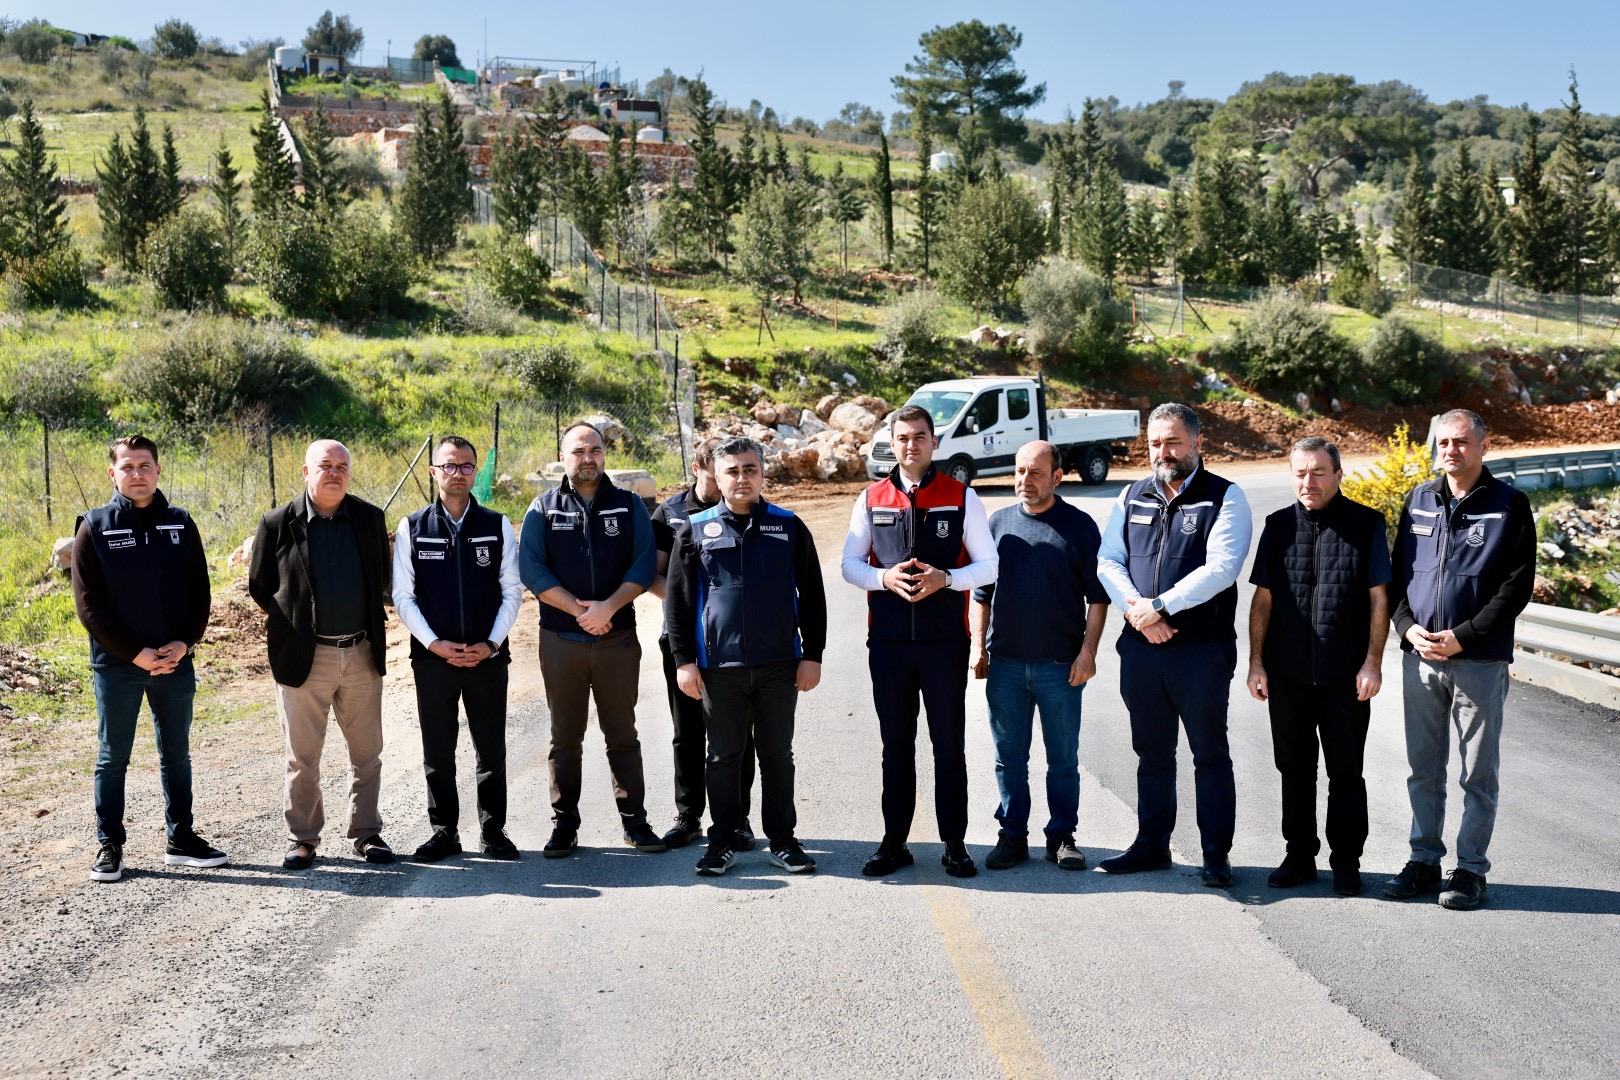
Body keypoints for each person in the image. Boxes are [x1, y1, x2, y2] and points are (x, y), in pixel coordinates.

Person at [1096, 402, 1252, 888]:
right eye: (1155, 443)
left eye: (1173, 442)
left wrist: (1161, 607)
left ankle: (1215, 854)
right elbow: (1108, 561)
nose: (1163, 452)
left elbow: (1222, 568)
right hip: (1142, 648)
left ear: (1197, 442)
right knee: (1152, 752)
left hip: (1200, 651)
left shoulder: (1225, 496)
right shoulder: (1131, 495)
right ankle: (1151, 845)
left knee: (1209, 754)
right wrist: (1139, 614)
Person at [1384, 409, 1535, 911]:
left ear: (1483, 446)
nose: (1451, 450)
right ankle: (1423, 860)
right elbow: (1399, 576)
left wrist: (1463, 638)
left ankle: (1470, 870)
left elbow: (1515, 587)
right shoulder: (1419, 500)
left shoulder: (1509, 504)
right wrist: (1407, 628)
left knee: (1477, 773)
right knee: (1423, 768)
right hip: (1421, 655)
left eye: (1462, 442)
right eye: (1444, 442)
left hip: (1479, 660)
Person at [841, 403, 999, 879]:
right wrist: (883, 578)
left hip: (944, 642)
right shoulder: (871, 497)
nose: (911, 445)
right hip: (889, 644)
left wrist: (946, 579)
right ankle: (895, 842)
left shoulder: (962, 496)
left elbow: (989, 565)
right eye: (903, 437)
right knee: (896, 747)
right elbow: (850, 565)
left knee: (949, 746)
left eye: (920, 436)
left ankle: (955, 844)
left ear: (934, 441)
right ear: (892, 443)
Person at [666, 438, 828, 876]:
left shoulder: (788, 526)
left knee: (777, 756)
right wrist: (684, 661)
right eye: (733, 471)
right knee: (722, 757)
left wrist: (812, 654)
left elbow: (812, 595)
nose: (742, 478)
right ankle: (721, 841)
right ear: (717, 478)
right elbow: (678, 602)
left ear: (762, 474)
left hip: (779, 665)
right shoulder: (694, 530)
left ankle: (783, 841)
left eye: (750, 469)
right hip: (719, 668)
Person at [72, 435, 225, 882]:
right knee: (112, 757)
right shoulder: (94, 526)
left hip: (174, 662)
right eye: (127, 467)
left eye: (144, 466)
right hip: (118, 667)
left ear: (158, 471)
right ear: (112, 473)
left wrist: (186, 642)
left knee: (176, 754)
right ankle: (109, 845)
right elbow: (88, 606)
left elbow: (200, 591)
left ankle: (181, 839)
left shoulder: (180, 523)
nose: (136, 474)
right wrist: (135, 654)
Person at [1247, 437, 1390, 897]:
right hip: (1286, 674)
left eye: (1318, 472)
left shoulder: (1367, 524)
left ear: (1338, 475)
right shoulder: (1277, 526)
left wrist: (1372, 663)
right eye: (1300, 473)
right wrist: (1256, 662)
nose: (1308, 481)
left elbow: (1379, 599)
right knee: (1293, 768)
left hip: (1346, 677)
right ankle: (1299, 855)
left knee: (1345, 772)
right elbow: (1263, 599)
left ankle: (1346, 862)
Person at [518, 421, 663, 857]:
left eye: (595, 450)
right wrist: (580, 611)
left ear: (604, 454)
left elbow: (643, 564)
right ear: (562, 457)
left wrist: (608, 609)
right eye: (578, 451)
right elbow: (532, 569)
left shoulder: (629, 505)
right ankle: (564, 826)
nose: (588, 458)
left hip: (617, 640)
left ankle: (635, 824)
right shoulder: (542, 508)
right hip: (561, 639)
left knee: (622, 733)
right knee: (565, 737)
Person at [249, 439, 394, 871]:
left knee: (367, 753)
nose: (334, 473)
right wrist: (296, 624)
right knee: (302, 757)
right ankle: (303, 838)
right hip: (304, 657)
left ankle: (367, 832)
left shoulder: (369, 518)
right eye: (325, 465)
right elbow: (261, 586)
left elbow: (381, 578)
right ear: (306, 471)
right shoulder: (277, 522)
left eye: (342, 467)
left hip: (361, 652)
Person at [971, 441, 1108, 872]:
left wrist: (1087, 654)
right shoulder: (998, 524)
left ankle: (1062, 837)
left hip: (1060, 668)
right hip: (1005, 666)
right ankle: (1012, 836)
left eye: (1035, 472)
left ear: (1057, 477)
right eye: (1019, 471)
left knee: (1063, 760)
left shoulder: (1080, 527)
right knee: (1008, 758)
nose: (1024, 480)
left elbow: (1098, 598)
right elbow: (981, 594)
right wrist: (978, 647)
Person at [393, 436, 524, 863]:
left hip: (487, 658)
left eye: (466, 466)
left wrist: (491, 643)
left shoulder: (497, 525)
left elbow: (512, 591)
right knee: (438, 750)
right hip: (433, 660)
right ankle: (444, 832)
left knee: (491, 749)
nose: (458, 473)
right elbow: (403, 596)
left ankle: (493, 832)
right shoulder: (412, 527)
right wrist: (434, 644)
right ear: (434, 472)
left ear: (475, 472)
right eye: (449, 466)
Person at [649, 438, 757, 850]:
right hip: (682, 640)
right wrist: (693, 605)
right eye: (717, 475)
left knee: (738, 734)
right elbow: (653, 575)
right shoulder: (670, 512)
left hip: (732, 643)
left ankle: (738, 818)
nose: (727, 482)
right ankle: (689, 815)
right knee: (688, 732)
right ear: (697, 470)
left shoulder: (747, 509)